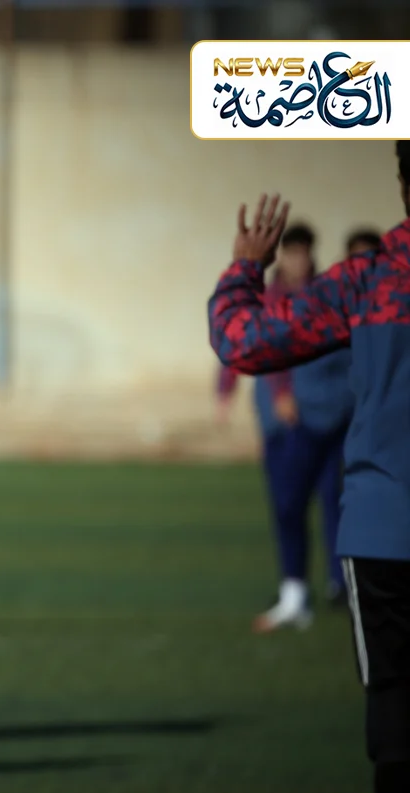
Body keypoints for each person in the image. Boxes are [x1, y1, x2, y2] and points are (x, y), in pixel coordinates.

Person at [207, 140, 410, 793]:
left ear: (402, 183)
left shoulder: (373, 281)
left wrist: (246, 268)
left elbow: (240, 339)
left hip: (387, 535)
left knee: (398, 729)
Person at [215, 223, 354, 631]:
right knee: (288, 503)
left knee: (336, 501)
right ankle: (294, 589)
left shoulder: (326, 297)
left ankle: (340, 583)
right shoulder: (266, 297)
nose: (299, 260)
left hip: (330, 417)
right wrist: (233, 390)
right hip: (286, 422)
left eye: (304, 252)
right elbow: (244, 343)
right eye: (291, 252)